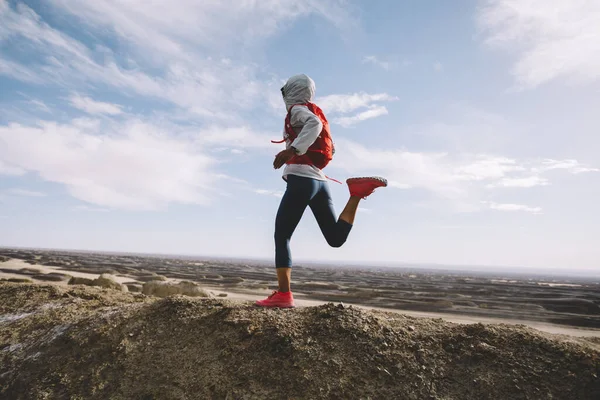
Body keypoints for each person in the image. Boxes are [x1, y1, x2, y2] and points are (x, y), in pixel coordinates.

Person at [255, 74, 387, 308]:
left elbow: (313, 126)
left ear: (291, 91)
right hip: (320, 182)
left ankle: (284, 295)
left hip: (301, 179)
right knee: (335, 238)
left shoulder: (297, 111)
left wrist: (292, 151)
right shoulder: (316, 111)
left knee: (281, 236)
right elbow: (331, 147)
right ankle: (356, 194)